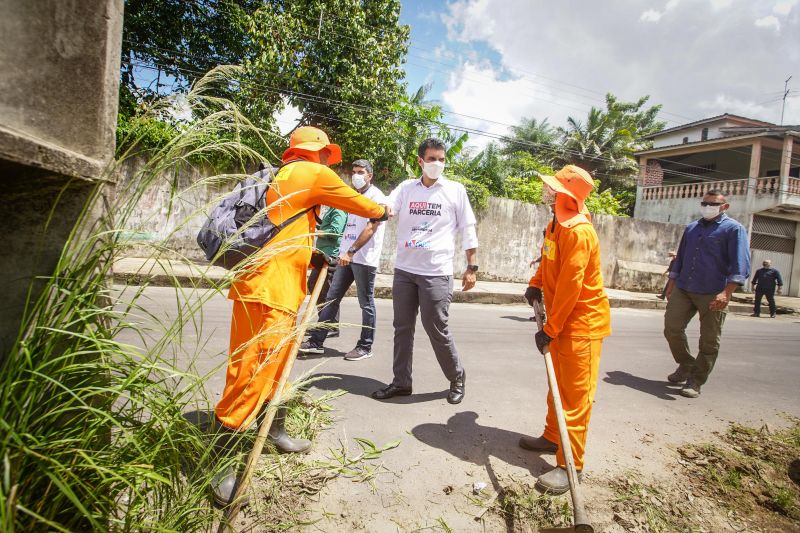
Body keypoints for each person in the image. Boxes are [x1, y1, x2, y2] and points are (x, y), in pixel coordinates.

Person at [211, 126, 389, 505]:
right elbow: (365, 206)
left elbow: (281, 232)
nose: (331, 162)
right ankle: (220, 460)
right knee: (250, 373)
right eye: (328, 155)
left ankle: (273, 431)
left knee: (275, 369)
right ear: (317, 152)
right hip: (268, 293)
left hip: (274, 289)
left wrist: (311, 256)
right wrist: (384, 210)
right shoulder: (312, 173)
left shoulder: (285, 175)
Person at [518, 165, 611, 495]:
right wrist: (535, 284)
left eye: (554, 188)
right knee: (555, 384)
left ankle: (571, 465)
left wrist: (551, 328)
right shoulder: (556, 222)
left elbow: (572, 285)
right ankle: (552, 437)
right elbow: (547, 258)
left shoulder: (579, 232)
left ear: (567, 195)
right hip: (561, 320)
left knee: (575, 398)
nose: (548, 191)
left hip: (581, 325)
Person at [371, 138, 478, 404]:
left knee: (436, 327)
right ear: (420, 161)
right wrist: (379, 210)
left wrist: (471, 266)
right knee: (402, 328)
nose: (437, 164)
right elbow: (388, 206)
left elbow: (468, 228)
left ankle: (456, 376)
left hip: (436, 272)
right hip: (405, 270)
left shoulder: (455, 190)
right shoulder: (407, 188)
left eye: (441, 159)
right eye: (431, 159)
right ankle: (401, 382)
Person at [663, 190, 750, 399]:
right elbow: (681, 258)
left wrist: (727, 292)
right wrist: (671, 283)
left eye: (713, 204)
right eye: (705, 203)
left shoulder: (734, 229)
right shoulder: (692, 228)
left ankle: (696, 380)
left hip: (713, 292)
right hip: (684, 287)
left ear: (724, 206)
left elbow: (740, 264)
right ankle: (686, 364)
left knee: (709, 340)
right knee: (672, 329)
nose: (708, 207)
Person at [300, 159, 388, 361]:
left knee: (366, 303)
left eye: (361, 172)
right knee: (331, 298)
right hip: (345, 257)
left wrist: (351, 252)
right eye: (354, 171)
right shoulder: (352, 195)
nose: (356, 175)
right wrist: (343, 252)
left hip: (363, 259)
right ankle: (316, 342)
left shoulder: (376, 197)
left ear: (370, 176)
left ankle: (365, 347)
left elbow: (370, 228)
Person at [307, 205, 347, 337]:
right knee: (314, 285)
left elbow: (336, 231)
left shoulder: (338, 210)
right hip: (323, 253)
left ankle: (332, 326)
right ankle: (323, 323)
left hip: (330, 255)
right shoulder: (332, 209)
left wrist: (317, 233)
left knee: (327, 292)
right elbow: (327, 227)